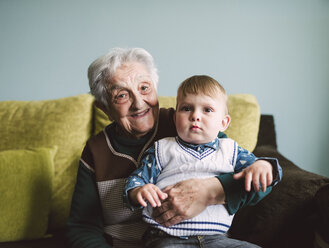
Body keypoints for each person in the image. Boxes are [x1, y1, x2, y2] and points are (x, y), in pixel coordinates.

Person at [65, 47, 281, 248]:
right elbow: (82, 226)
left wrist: (211, 191)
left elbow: (259, 180)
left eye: (144, 88)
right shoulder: (96, 150)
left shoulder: (188, 126)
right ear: (104, 108)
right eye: (121, 95)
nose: (138, 103)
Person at [123, 75, 282, 248]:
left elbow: (259, 170)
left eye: (207, 110)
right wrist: (138, 191)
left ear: (224, 122)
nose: (195, 116)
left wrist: (262, 165)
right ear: (175, 118)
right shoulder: (162, 149)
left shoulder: (230, 150)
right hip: (166, 237)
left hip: (217, 239)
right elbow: (136, 180)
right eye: (186, 108)